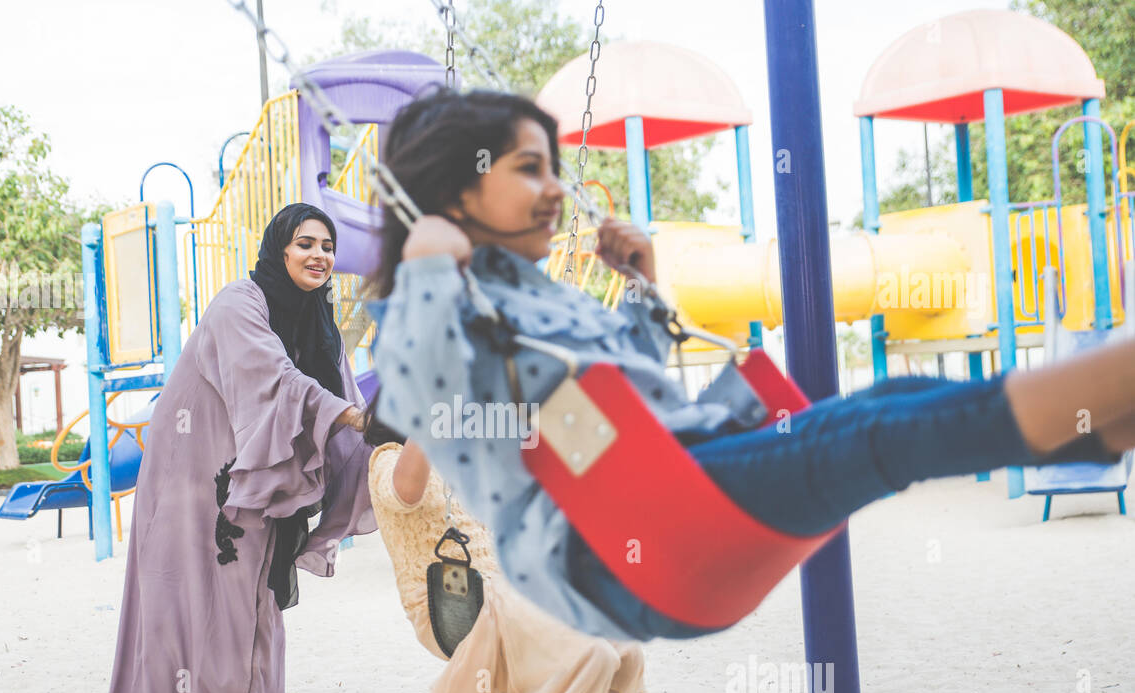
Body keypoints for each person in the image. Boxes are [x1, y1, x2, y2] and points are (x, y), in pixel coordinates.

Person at [363, 87, 1135, 643]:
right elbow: (436, 398)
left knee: (890, 398)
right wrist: (429, 268)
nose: (557, 189)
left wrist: (643, 289)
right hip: (610, 547)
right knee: (866, 440)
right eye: (530, 168)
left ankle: (1108, 424)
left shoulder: (536, 294)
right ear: (453, 191)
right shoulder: (420, 310)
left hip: (666, 481)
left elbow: (629, 391)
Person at [83, 203, 376, 693]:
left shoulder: (320, 322)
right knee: (193, 592)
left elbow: (343, 397)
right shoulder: (240, 302)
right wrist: (352, 419)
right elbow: (274, 377)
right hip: (193, 474)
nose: (320, 256)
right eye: (305, 244)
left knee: (257, 595)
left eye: (327, 247)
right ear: (279, 249)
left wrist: (379, 444)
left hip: (255, 477)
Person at [363, 397, 643, 693]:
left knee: (623, 651)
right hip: (457, 602)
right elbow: (407, 491)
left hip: (512, 589)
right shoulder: (387, 461)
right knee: (587, 653)